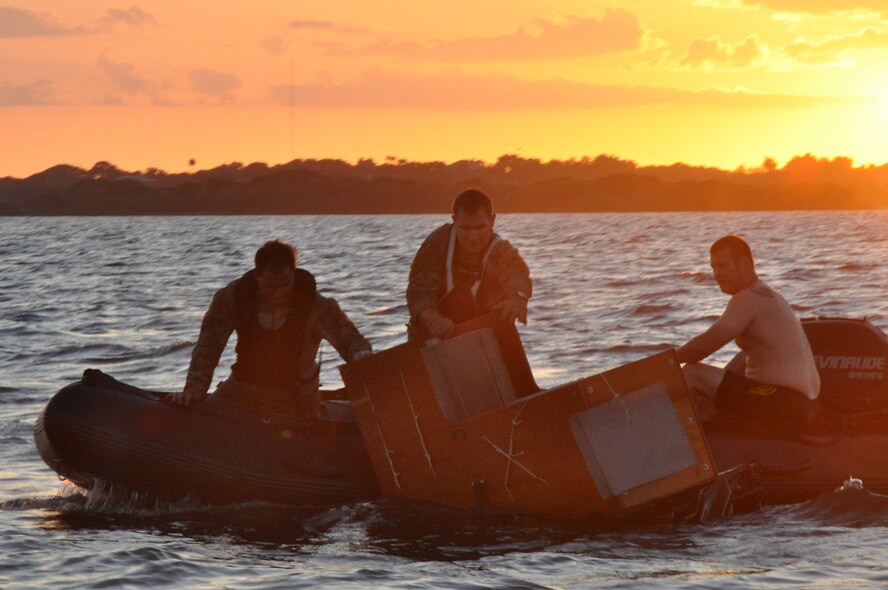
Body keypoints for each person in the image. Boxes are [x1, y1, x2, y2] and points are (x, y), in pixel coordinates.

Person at [169, 240, 371, 413]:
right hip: (242, 389)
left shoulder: (318, 306)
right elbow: (208, 345)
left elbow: (350, 339)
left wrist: (360, 354)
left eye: (285, 285)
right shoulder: (233, 297)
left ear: (294, 275)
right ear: (257, 276)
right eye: (270, 286)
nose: (278, 294)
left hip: (297, 397)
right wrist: (194, 390)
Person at [676, 235, 820, 420]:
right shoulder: (768, 294)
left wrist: (664, 363)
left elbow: (704, 347)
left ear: (744, 264)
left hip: (786, 405)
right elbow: (743, 359)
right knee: (705, 399)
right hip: (802, 406)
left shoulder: (749, 298)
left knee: (692, 374)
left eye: (723, 265)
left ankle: (666, 434)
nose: (717, 274)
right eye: (713, 267)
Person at [406, 188, 532, 342]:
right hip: (432, 337)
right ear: (454, 220)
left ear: (492, 220)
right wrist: (434, 321)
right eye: (465, 228)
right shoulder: (436, 244)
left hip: (483, 336)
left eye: (480, 228)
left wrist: (517, 299)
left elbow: (516, 273)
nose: (473, 237)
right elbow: (419, 292)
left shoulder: (501, 250)